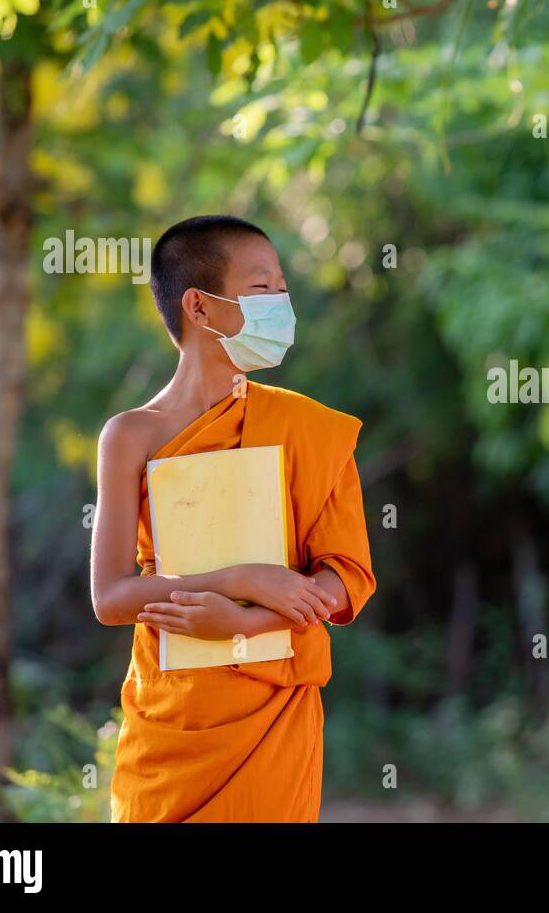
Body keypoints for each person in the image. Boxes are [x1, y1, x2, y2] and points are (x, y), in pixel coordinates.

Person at [90, 215, 375, 821]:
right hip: (173, 718)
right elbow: (112, 597)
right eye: (262, 288)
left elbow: (344, 577)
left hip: (274, 709)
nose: (282, 305)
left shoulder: (312, 431)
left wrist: (243, 622)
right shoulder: (131, 435)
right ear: (199, 306)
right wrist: (237, 583)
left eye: (281, 288)